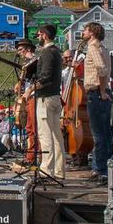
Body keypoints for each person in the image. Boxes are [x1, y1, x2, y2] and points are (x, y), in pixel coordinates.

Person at [33, 24, 66, 180]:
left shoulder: (47, 52)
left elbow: (45, 77)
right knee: (56, 136)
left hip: (45, 98)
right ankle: (59, 170)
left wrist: (29, 91)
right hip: (55, 97)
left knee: (45, 135)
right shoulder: (57, 52)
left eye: (39, 35)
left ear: (45, 35)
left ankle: (46, 170)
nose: (38, 37)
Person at [83, 21, 113, 185]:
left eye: (85, 30)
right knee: (106, 133)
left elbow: (101, 69)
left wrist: (101, 91)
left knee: (98, 135)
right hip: (103, 91)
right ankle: (106, 168)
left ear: (92, 33)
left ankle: (99, 169)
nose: (83, 32)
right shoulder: (104, 48)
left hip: (96, 93)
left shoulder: (93, 47)